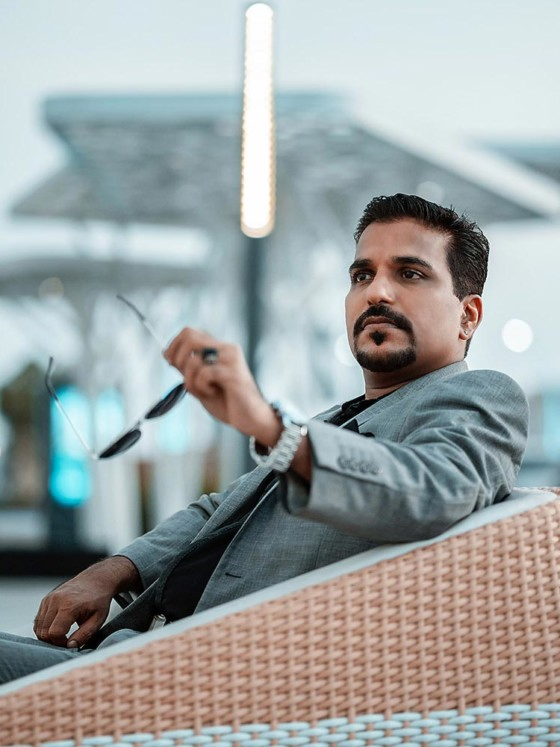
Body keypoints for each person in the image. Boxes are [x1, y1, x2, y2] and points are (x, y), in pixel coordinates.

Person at [0, 193, 528, 685]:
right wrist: (117, 569)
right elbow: (220, 510)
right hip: (127, 651)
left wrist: (274, 429)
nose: (376, 292)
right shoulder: (335, 420)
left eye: (409, 273)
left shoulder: (482, 396)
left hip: (204, 683)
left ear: (468, 316)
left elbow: (432, 491)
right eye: (362, 274)